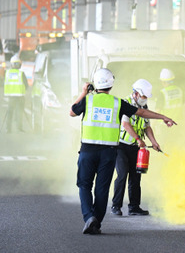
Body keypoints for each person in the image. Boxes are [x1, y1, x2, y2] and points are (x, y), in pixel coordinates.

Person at [70, 68, 176, 235]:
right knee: (102, 188)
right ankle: (96, 221)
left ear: (95, 84)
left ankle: (89, 217)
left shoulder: (88, 100)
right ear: (111, 86)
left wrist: (83, 92)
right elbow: (140, 113)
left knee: (84, 185)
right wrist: (163, 117)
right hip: (109, 152)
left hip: (88, 150)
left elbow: (72, 111)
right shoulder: (117, 103)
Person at [111, 79, 162, 217]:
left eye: (146, 97)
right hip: (120, 146)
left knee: (136, 177)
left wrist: (154, 142)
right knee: (122, 174)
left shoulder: (144, 107)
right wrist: (138, 139)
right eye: (144, 96)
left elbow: (147, 127)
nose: (145, 99)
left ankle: (134, 207)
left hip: (135, 148)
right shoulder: (125, 104)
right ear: (136, 93)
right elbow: (126, 124)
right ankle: (116, 206)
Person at [4, 55, 28, 133]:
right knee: (19, 112)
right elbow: (26, 85)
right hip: (20, 96)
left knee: (10, 113)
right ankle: (19, 128)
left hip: (11, 96)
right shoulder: (21, 73)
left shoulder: (7, 73)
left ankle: (8, 128)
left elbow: (4, 83)